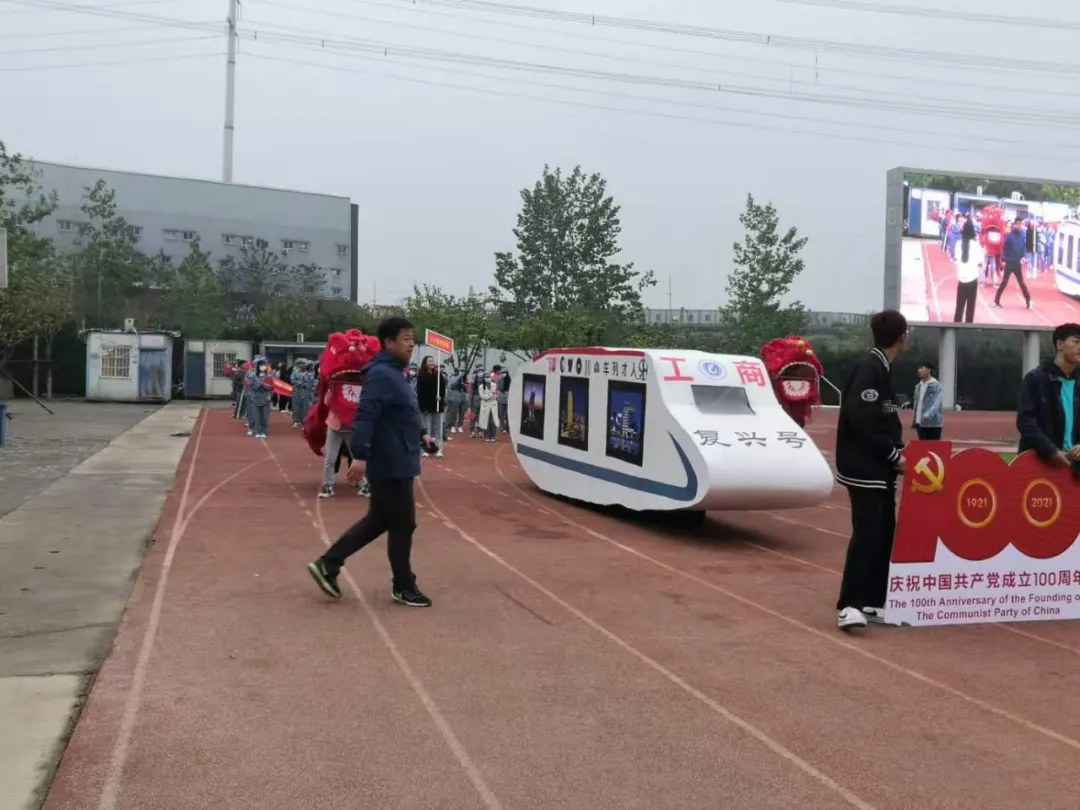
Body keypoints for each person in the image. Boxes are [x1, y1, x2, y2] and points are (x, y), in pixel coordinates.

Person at [307, 316, 436, 608]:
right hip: (390, 461)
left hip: (400, 456)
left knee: (384, 521)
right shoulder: (381, 374)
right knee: (400, 523)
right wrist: (361, 456)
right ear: (388, 342)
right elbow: (365, 415)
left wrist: (423, 435)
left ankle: (331, 564)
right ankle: (401, 585)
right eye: (405, 339)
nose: (411, 344)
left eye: (412, 339)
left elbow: (404, 412)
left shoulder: (396, 373)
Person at [834, 310, 908, 631]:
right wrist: (893, 454)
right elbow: (861, 418)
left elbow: (882, 412)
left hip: (880, 468)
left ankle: (874, 601)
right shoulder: (870, 367)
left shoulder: (881, 367)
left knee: (883, 533)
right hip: (864, 468)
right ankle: (849, 605)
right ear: (903, 337)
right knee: (867, 535)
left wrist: (897, 448)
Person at [1017, 322, 1080, 469]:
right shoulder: (1036, 379)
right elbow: (1026, 422)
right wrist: (1051, 452)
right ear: (1060, 344)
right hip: (1039, 464)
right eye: (1076, 342)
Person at [994, 218, 1032, 310]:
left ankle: (1028, 300)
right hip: (1009, 263)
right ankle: (996, 301)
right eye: (1018, 224)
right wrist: (1003, 260)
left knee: (1021, 283)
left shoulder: (1022, 234)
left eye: (1021, 224)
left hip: (1017, 263)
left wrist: (1023, 256)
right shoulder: (1009, 236)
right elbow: (1004, 248)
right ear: (1014, 224)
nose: (1019, 226)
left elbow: (1023, 246)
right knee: (1004, 282)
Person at [415, 356, 447, 458]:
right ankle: (427, 449)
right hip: (426, 406)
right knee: (426, 428)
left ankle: (439, 449)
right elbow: (420, 392)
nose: (431, 363)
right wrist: (422, 406)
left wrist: (440, 397)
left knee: (438, 429)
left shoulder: (438, 375)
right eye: (429, 361)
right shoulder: (421, 375)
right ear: (425, 363)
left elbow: (442, 388)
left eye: (432, 361)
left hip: (437, 405)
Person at [954, 217, 979, 324]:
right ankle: (968, 328)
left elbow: (956, 257)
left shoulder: (958, 243)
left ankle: (956, 326)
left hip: (961, 278)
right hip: (972, 279)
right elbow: (980, 260)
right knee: (970, 307)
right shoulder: (976, 245)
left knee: (959, 306)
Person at [911, 361, 943, 440]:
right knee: (922, 445)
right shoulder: (918, 386)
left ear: (929, 370)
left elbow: (937, 403)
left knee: (933, 446)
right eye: (918, 368)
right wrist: (915, 419)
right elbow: (916, 404)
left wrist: (928, 415)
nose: (919, 370)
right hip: (919, 422)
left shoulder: (936, 385)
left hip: (933, 423)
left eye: (922, 368)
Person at [247, 359, 274, 439]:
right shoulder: (253, 376)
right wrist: (259, 384)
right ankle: (257, 431)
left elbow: (271, 387)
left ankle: (264, 431)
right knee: (256, 416)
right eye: (261, 365)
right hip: (256, 398)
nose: (262, 367)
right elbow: (251, 387)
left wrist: (264, 385)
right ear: (258, 366)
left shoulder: (269, 376)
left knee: (265, 417)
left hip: (266, 398)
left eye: (264, 365)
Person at [477, 371, 499, 442]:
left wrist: (490, 396)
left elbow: (496, 395)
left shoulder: (494, 385)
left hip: (493, 404)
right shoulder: (481, 387)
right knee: (485, 420)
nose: (488, 378)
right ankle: (487, 435)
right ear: (484, 378)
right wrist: (491, 395)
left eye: (489, 377)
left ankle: (493, 436)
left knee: (493, 420)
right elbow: (482, 396)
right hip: (485, 404)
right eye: (486, 377)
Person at [445, 369, 467, 433]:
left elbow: (465, 388)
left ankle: (460, 425)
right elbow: (453, 384)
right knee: (453, 412)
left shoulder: (464, 378)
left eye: (463, 372)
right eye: (461, 371)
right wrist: (459, 377)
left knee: (462, 412)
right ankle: (452, 426)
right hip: (454, 396)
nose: (462, 373)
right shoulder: (453, 377)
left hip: (462, 396)